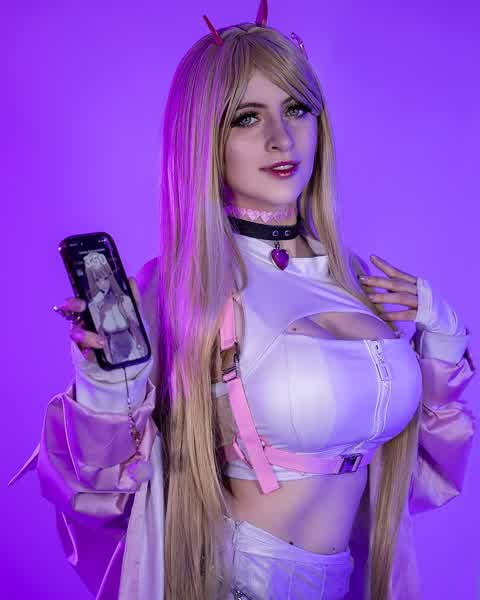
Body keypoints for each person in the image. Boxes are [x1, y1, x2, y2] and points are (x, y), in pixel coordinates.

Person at [8, 2, 476, 599]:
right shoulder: (180, 290)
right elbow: (100, 493)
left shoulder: (360, 281)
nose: (281, 138)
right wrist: (106, 385)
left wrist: (444, 336)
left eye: (296, 108)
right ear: (204, 138)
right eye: (247, 117)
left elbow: (423, 476)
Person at [83, 251, 148, 364]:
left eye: (105, 278)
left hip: (133, 347)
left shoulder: (124, 299)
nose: (103, 283)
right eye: (97, 280)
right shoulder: (93, 306)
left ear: (110, 277)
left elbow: (135, 324)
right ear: (93, 282)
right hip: (113, 351)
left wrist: (140, 343)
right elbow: (98, 333)